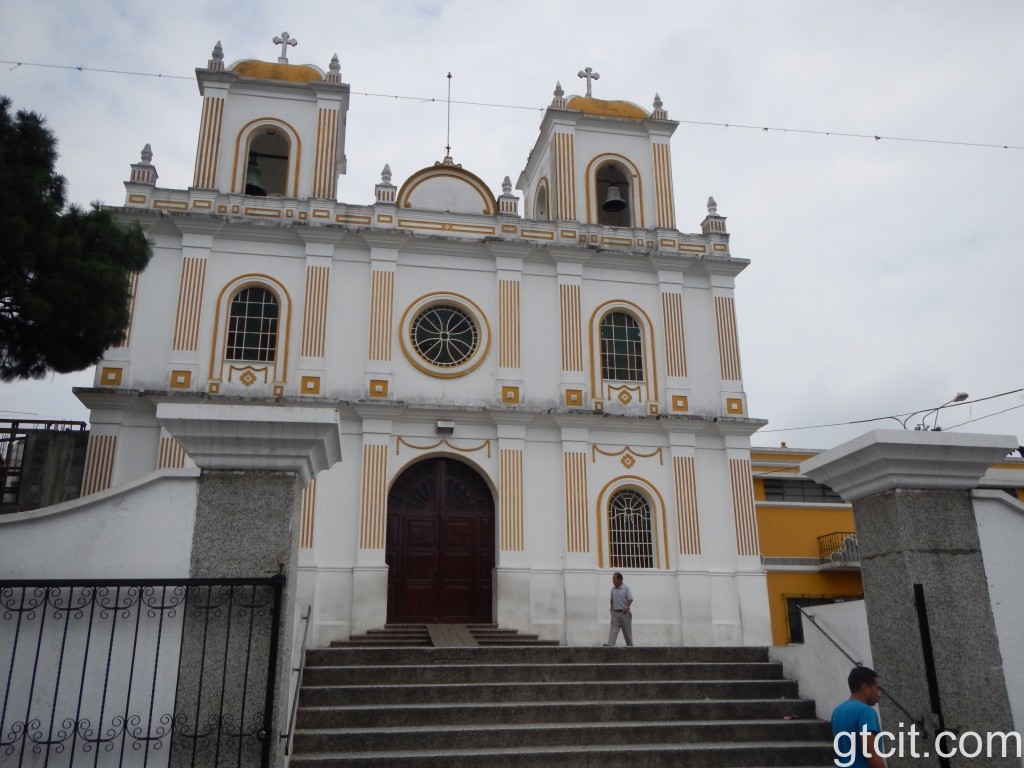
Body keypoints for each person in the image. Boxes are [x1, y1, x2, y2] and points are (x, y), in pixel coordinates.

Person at [831, 666, 886, 768]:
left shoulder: (837, 711)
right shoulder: (866, 712)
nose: (879, 694)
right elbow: (871, 754)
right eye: (877, 688)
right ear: (865, 687)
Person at [606, 572, 634, 646]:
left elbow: (630, 599)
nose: (613, 580)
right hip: (615, 613)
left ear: (620, 579)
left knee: (627, 632)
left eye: (614, 579)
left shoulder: (626, 588)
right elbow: (611, 600)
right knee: (613, 630)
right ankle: (610, 645)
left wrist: (626, 607)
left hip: (624, 614)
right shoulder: (613, 589)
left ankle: (630, 647)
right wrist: (611, 609)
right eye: (613, 579)